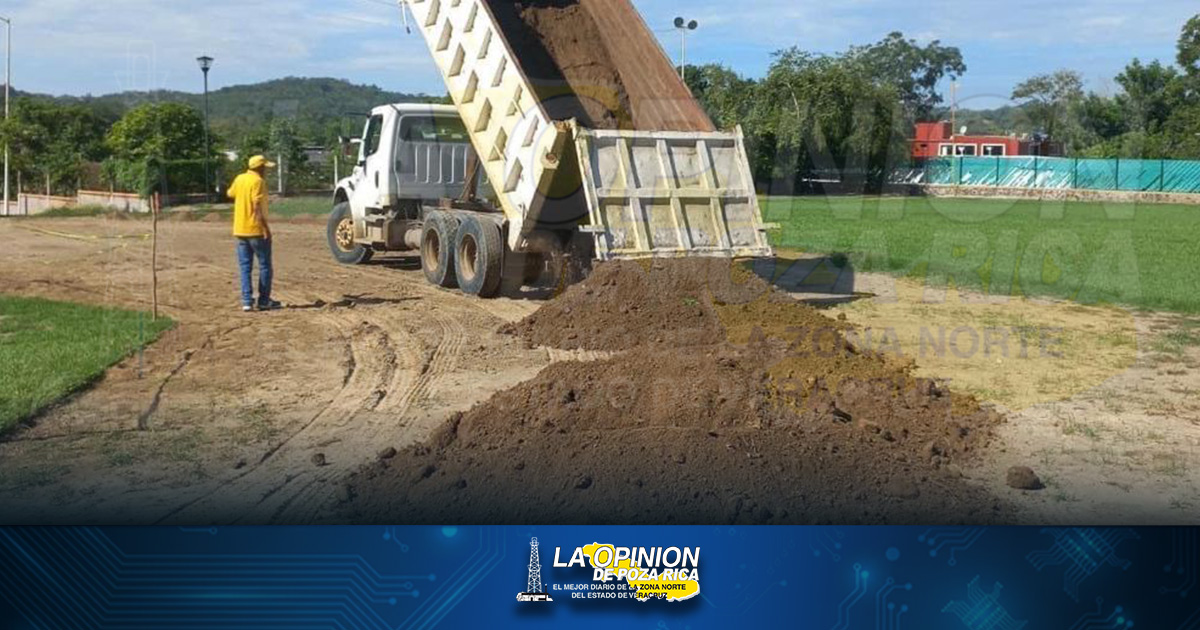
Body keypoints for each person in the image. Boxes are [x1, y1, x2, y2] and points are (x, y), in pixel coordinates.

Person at [228, 155, 282, 312]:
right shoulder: (258, 182)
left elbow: (230, 193)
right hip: (255, 229)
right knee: (265, 266)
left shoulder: (240, 179)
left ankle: (246, 301)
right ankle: (264, 300)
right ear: (260, 168)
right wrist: (265, 228)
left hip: (240, 229)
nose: (266, 170)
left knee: (245, 266)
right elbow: (256, 205)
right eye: (265, 167)